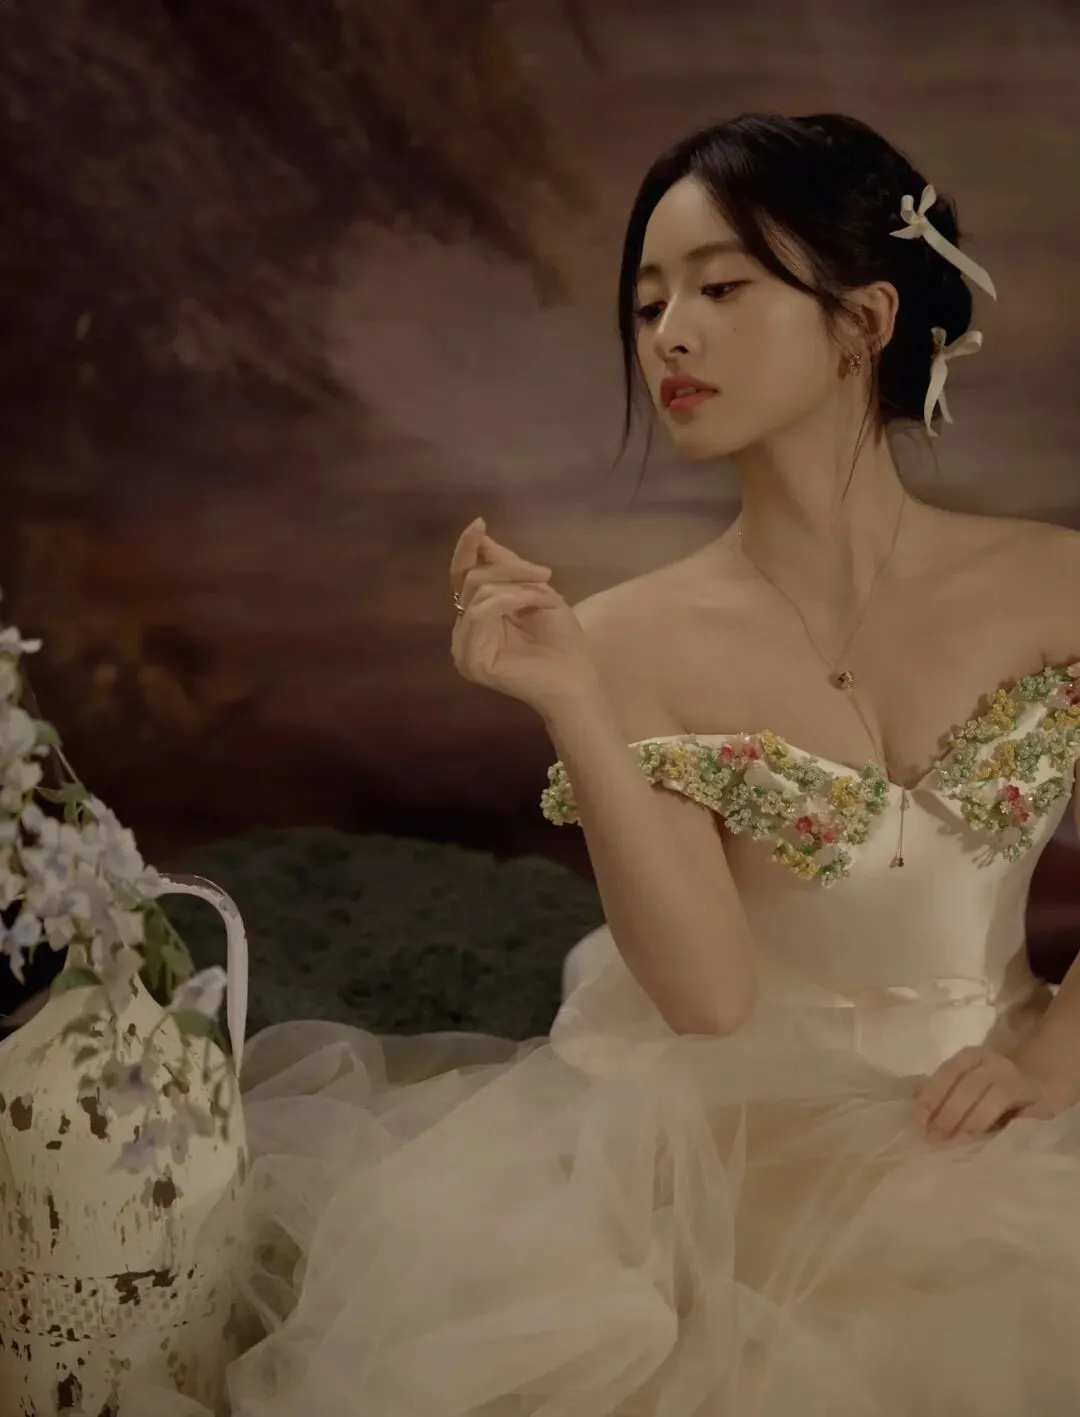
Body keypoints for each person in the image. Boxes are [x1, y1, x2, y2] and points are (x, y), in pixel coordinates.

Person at [225, 113, 1080, 1415]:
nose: (669, 335)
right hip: (746, 1155)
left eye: (721, 289)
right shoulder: (623, 639)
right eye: (647, 302)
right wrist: (573, 699)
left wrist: (1047, 1069)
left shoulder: (1055, 582)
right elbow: (712, 1003)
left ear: (863, 323)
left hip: (1018, 1093)